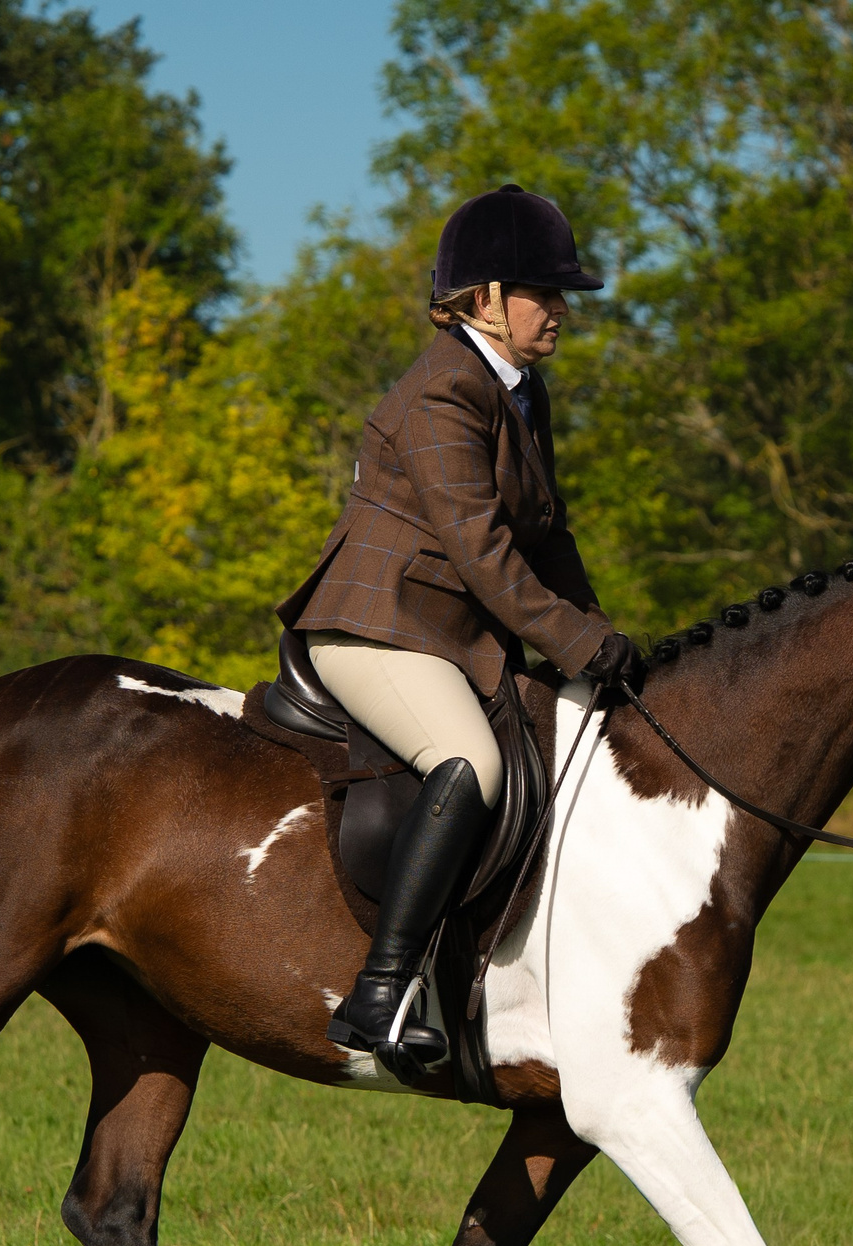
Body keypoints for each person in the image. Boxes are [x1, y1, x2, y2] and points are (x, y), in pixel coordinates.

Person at [276, 183, 641, 1074]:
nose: (560, 310)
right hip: (378, 626)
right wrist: (576, 644)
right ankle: (381, 991)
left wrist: (601, 641)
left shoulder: (521, 390)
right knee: (471, 763)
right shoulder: (446, 389)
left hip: (445, 636)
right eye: (544, 292)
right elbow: (484, 555)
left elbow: (549, 538)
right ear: (484, 299)